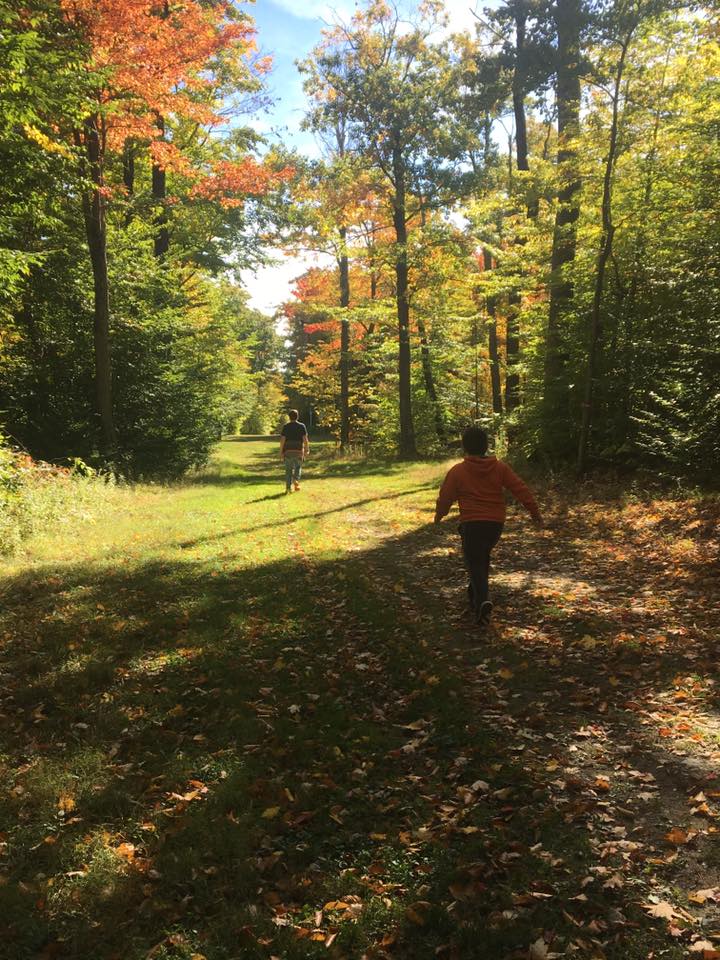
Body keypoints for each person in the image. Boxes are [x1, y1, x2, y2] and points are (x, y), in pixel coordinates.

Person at [434, 426, 543, 626]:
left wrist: (439, 515)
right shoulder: (500, 467)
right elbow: (519, 488)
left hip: (472, 524)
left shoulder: (458, 471)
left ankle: (482, 600)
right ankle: (474, 592)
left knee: (474, 560)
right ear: (485, 446)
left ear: (465, 447)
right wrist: (534, 511)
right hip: (495, 525)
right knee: (480, 557)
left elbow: (446, 496)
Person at [279, 409, 309, 493]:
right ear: (297, 416)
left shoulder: (286, 427)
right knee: (298, 467)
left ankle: (288, 488)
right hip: (299, 450)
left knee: (288, 470)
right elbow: (305, 439)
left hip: (288, 451)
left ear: (289, 417)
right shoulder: (302, 426)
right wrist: (307, 449)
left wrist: (281, 451)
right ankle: (296, 480)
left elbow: (282, 440)